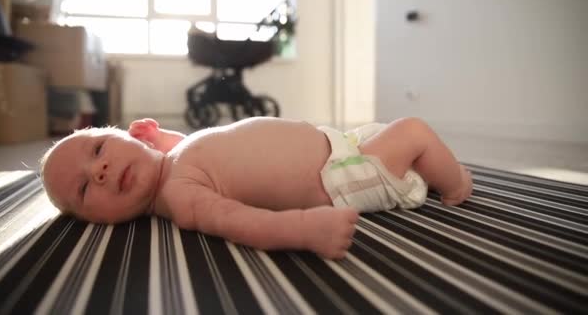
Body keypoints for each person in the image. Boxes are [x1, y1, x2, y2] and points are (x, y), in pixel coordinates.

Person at [40, 117, 472, 259]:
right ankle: (457, 187)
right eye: (83, 188)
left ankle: (425, 170)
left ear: (132, 134)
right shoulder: (180, 194)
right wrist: (306, 230)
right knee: (413, 133)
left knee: (385, 132)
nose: (99, 170)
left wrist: (161, 138)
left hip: (340, 145)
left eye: (98, 148)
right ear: (96, 220)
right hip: (340, 175)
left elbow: (197, 147)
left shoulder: (172, 161)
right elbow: (240, 222)